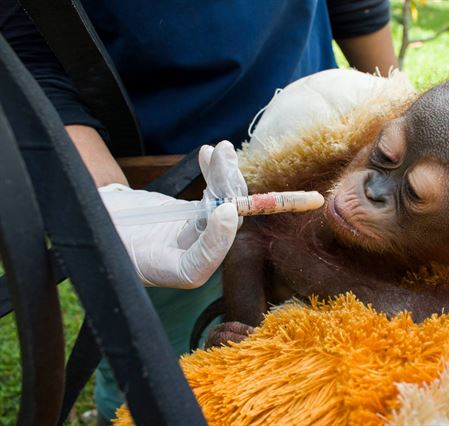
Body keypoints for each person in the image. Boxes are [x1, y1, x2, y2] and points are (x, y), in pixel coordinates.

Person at [0, 0, 399, 422]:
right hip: (157, 193)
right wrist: (107, 196)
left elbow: (355, 6)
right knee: (149, 386)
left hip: (316, 146)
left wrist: (399, 109)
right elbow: (23, 42)